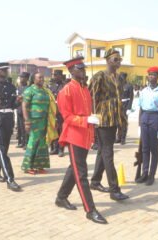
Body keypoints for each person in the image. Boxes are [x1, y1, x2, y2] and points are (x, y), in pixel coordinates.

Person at [56, 57, 107, 224]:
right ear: (72, 71)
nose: (84, 71)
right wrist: (86, 120)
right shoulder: (66, 91)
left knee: (75, 168)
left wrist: (91, 120)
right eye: (80, 69)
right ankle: (90, 210)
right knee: (81, 174)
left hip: (85, 135)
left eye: (84, 68)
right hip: (74, 136)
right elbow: (67, 117)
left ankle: (61, 197)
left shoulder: (84, 89)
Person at [89, 49, 129, 201]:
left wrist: (122, 121)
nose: (118, 62)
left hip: (115, 118)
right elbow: (91, 98)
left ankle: (95, 181)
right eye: (115, 60)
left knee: (103, 151)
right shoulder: (99, 76)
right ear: (107, 61)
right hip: (103, 118)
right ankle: (114, 189)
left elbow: (119, 101)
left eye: (119, 60)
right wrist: (93, 117)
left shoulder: (119, 78)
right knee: (108, 152)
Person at [0, 62, 21, 192]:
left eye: (6, 69)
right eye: (3, 70)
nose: (6, 71)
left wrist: (18, 102)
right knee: (1, 149)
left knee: (3, 150)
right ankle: (10, 179)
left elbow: (12, 106)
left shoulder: (11, 87)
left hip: (8, 120)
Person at [135, 66, 158, 185]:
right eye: (150, 75)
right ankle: (144, 173)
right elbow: (140, 108)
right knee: (145, 148)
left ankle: (152, 175)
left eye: (154, 75)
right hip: (145, 117)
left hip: (156, 118)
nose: (151, 77)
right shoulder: (144, 91)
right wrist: (139, 125)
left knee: (154, 149)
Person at [22, 72, 57, 174]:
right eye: (39, 77)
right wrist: (27, 121)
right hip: (34, 121)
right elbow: (24, 106)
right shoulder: (29, 91)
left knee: (43, 143)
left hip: (45, 120)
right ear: (33, 79)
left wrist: (53, 119)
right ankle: (28, 166)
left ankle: (40, 165)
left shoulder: (46, 91)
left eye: (42, 77)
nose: (42, 79)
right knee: (33, 142)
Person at [49, 69, 66, 157]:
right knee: (54, 130)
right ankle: (55, 148)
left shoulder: (64, 86)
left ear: (60, 76)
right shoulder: (51, 87)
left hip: (62, 112)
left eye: (56, 75)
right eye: (54, 75)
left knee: (61, 130)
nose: (55, 77)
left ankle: (61, 149)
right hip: (53, 111)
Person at [116, 72, 134, 145]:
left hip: (125, 106)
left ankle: (123, 138)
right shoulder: (118, 86)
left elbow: (131, 97)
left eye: (122, 78)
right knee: (118, 123)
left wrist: (129, 108)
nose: (120, 79)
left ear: (125, 78)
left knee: (124, 123)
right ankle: (118, 137)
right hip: (118, 106)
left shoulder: (129, 86)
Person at [16, 72, 30, 149]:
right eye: (20, 77)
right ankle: (21, 142)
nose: (21, 79)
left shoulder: (28, 88)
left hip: (26, 111)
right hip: (19, 110)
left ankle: (26, 143)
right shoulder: (18, 88)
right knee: (20, 127)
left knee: (25, 128)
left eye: (23, 77)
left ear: (27, 79)